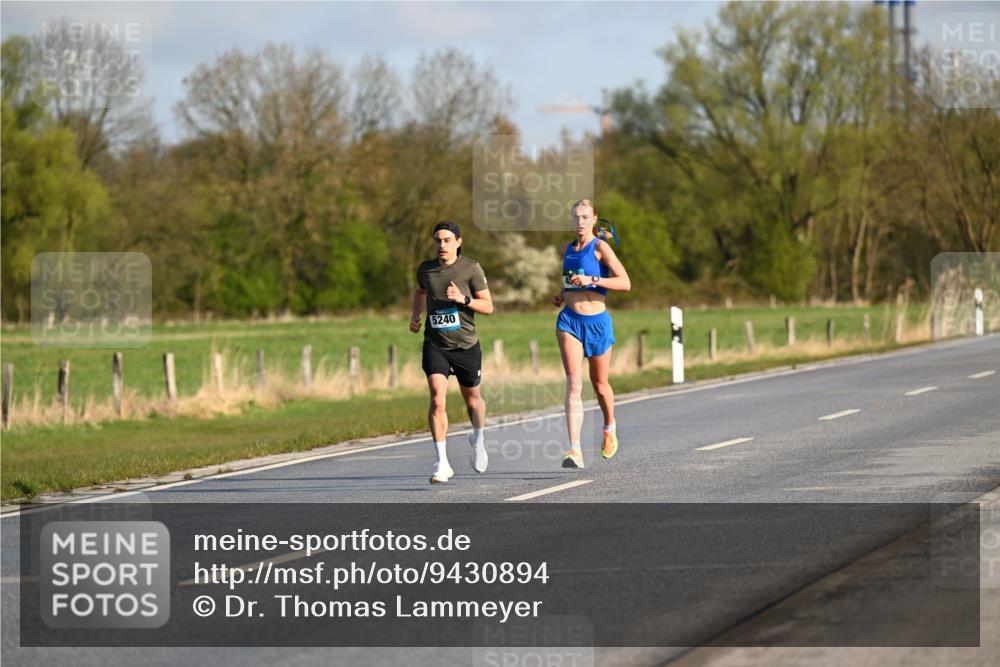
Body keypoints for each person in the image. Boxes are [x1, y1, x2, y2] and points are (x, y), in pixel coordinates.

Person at [410, 221, 494, 484]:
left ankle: (478, 438)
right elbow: (420, 291)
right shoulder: (426, 269)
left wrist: (464, 299)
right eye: (437, 240)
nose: (442, 245)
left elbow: (489, 306)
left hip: (466, 345)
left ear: (458, 241)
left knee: (473, 402)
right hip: (436, 345)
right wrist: (416, 315)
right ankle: (442, 463)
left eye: (447, 240)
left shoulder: (471, 268)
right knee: (437, 399)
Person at [552, 199, 630, 469]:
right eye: (575, 217)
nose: (580, 222)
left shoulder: (600, 247)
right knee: (574, 384)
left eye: (585, 217)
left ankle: (609, 426)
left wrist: (592, 280)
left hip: (597, 323)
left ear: (594, 219)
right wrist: (563, 294)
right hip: (570, 322)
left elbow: (625, 282)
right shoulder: (567, 249)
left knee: (599, 385)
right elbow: (571, 278)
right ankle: (574, 449)